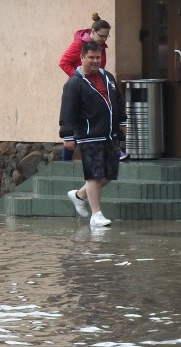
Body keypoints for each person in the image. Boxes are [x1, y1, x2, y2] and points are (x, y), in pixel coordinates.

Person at [59, 41, 127, 227]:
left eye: (98, 57)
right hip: (88, 136)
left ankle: (79, 195)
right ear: (82, 58)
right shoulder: (74, 83)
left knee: (110, 173)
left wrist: (122, 122)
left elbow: (118, 101)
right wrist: (68, 135)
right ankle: (96, 215)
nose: (95, 61)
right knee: (94, 175)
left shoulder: (108, 77)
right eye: (91, 57)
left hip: (109, 134)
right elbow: (67, 111)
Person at [59, 13, 127, 161]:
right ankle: (65, 162)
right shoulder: (79, 45)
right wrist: (80, 79)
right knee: (78, 123)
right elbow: (64, 62)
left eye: (106, 37)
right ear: (93, 32)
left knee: (105, 113)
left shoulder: (99, 47)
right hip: (83, 88)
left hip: (97, 84)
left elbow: (100, 66)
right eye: (101, 36)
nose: (103, 39)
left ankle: (114, 149)